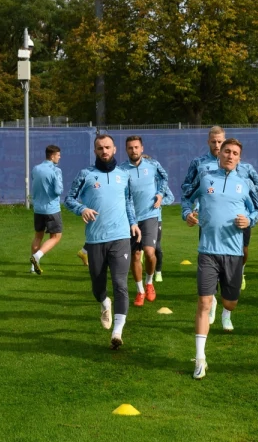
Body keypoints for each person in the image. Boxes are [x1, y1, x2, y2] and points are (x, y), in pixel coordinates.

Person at [183, 138, 258, 379]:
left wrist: (249, 220)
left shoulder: (245, 183)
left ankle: (224, 307)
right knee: (203, 304)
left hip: (234, 253)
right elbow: (186, 197)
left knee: (230, 302)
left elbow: (257, 211)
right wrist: (187, 213)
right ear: (220, 154)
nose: (230, 155)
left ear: (239, 158)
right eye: (227, 151)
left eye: (235, 153)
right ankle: (200, 358)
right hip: (207, 250)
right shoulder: (206, 177)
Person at [65, 134, 140, 350]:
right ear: (95, 151)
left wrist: (133, 223)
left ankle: (117, 332)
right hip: (95, 239)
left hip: (120, 237)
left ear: (115, 149)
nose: (104, 151)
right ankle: (104, 303)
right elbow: (69, 199)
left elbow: (128, 202)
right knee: (98, 286)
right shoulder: (86, 174)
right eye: (100, 148)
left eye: (107, 147)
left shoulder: (124, 175)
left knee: (120, 284)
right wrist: (82, 209)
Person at [181, 125, 258, 291]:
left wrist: (246, 211)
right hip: (209, 219)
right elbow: (187, 188)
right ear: (208, 142)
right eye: (214, 142)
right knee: (209, 256)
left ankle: (240, 271)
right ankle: (211, 296)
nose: (217, 145)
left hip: (239, 219)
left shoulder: (243, 166)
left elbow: (257, 188)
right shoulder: (199, 164)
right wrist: (195, 206)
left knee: (243, 249)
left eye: (220, 142)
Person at [120, 135, 171, 306]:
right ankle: (140, 291)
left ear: (142, 148)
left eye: (136, 147)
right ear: (126, 150)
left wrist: (160, 194)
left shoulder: (153, 165)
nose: (133, 150)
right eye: (130, 148)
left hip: (151, 215)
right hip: (131, 218)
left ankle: (149, 282)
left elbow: (164, 178)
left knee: (150, 252)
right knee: (135, 255)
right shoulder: (121, 170)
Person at [30, 145, 64, 275]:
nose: (59, 158)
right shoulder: (56, 171)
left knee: (38, 236)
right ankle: (37, 256)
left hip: (38, 209)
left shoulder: (36, 168)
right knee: (56, 237)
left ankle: (32, 268)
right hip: (51, 209)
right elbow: (58, 191)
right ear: (52, 156)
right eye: (58, 155)